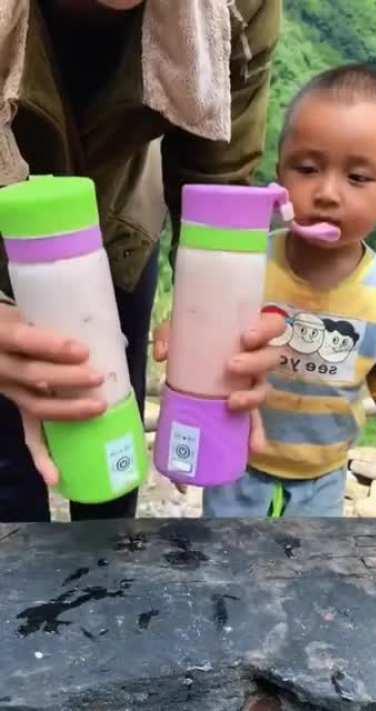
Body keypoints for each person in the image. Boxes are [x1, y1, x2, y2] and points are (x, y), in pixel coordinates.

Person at [0, 0, 283, 522]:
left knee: (109, 450)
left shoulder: (237, 7)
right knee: (9, 475)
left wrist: (218, 316)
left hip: (118, 228)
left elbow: (217, 178)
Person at [201, 63, 376, 518]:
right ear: (281, 172)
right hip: (235, 467)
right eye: (307, 168)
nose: (327, 192)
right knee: (221, 574)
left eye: (358, 178)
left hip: (322, 482)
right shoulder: (246, 265)